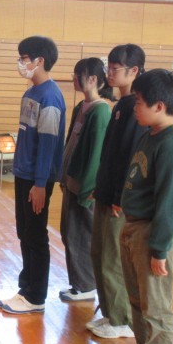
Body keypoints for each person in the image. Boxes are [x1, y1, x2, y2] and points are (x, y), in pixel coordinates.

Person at [113, 69, 173, 344]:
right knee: (137, 298)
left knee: (156, 304)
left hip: (154, 232)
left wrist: (159, 249)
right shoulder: (150, 134)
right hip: (134, 226)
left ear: (159, 106)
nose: (135, 107)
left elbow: (170, 202)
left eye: (139, 102)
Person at [0, 35, 66, 314]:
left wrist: (40, 184)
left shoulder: (50, 97)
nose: (20, 63)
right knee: (24, 232)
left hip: (37, 179)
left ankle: (36, 297)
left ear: (40, 61)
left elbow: (48, 144)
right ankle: (25, 289)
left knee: (36, 235)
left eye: (24, 58)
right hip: (23, 174)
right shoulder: (30, 93)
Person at [89, 44, 147, 339]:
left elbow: (130, 160)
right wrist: (100, 187)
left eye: (115, 68)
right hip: (105, 193)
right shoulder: (120, 106)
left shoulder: (136, 108)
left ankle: (121, 319)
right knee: (98, 253)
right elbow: (110, 156)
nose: (109, 73)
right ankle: (110, 312)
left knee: (112, 258)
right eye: (108, 67)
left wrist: (118, 198)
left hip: (118, 200)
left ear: (134, 70)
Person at [59, 58, 112, 302]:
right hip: (71, 181)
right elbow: (71, 142)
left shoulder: (101, 111)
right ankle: (79, 283)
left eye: (77, 75)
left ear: (92, 79)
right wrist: (63, 176)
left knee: (81, 235)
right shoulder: (82, 106)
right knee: (70, 233)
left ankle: (87, 285)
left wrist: (88, 189)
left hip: (84, 187)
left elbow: (96, 154)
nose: (74, 79)